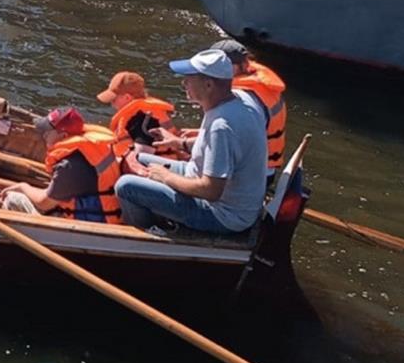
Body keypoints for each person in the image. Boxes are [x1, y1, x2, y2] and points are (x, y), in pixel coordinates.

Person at [114, 49, 268, 235]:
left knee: (126, 186)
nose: (183, 83)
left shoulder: (222, 125)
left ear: (209, 84)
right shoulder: (243, 98)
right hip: (206, 181)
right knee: (139, 159)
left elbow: (211, 191)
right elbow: (230, 146)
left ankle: (149, 235)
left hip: (223, 215)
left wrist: (166, 177)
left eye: (189, 78)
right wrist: (180, 143)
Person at [0, 107, 122, 224]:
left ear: (63, 136)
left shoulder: (69, 166)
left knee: (12, 199)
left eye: (48, 132)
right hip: (102, 214)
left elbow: (43, 203)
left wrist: (22, 187)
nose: (44, 135)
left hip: (87, 226)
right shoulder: (88, 152)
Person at [212, 39, 288, 174]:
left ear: (241, 65)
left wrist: (185, 144)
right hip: (267, 165)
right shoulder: (262, 86)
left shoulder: (242, 98)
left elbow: (232, 142)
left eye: (223, 65)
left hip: (254, 173)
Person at [96, 71, 177, 159]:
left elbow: (142, 157)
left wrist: (119, 163)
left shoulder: (142, 119)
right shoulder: (141, 112)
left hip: (154, 168)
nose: (111, 104)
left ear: (127, 97)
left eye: (114, 99)